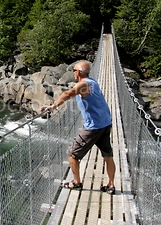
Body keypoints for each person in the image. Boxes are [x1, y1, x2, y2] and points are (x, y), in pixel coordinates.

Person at [40, 61, 116, 195]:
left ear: (79, 72)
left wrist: (52, 106)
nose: (73, 72)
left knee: (72, 154)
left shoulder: (83, 84)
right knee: (108, 155)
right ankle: (111, 185)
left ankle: (76, 183)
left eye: (74, 70)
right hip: (105, 123)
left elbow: (68, 94)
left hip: (94, 127)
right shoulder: (93, 81)